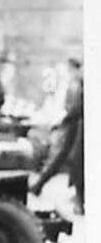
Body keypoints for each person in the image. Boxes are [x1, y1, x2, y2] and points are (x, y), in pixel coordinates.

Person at [32, 57, 84, 213]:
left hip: (76, 124)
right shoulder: (75, 83)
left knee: (74, 160)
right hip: (75, 124)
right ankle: (40, 184)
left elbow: (77, 106)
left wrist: (63, 121)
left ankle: (40, 184)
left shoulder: (77, 83)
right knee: (69, 158)